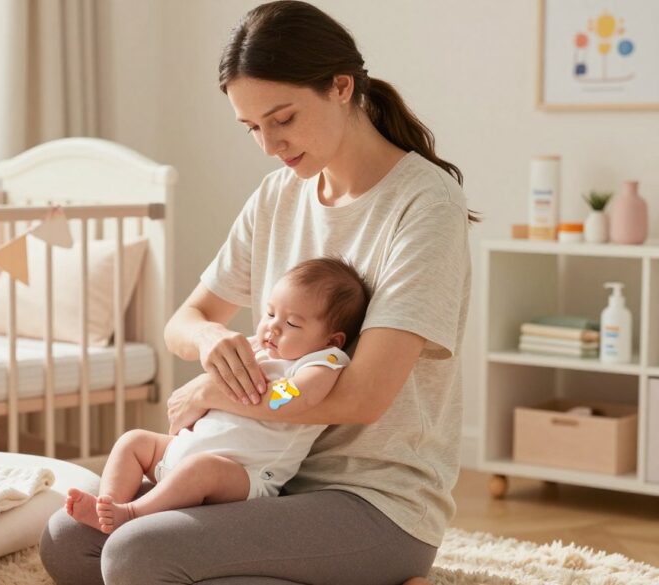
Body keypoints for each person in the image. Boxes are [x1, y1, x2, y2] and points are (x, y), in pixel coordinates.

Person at [41, 1, 474, 583]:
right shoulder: (277, 196)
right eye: (253, 128)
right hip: (266, 482)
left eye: (283, 119)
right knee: (68, 539)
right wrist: (211, 341)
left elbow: (364, 398)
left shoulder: (424, 206)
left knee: (137, 552)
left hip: (374, 504)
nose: (270, 145)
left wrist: (213, 395)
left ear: (341, 87)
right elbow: (185, 320)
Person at [66, 258, 370, 534]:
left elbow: (295, 398)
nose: (272, 328)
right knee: (133, 441)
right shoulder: (259, 347)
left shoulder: (322, 362)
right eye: (270, 313)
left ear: (332, 340)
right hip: (188, 448)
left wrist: (233, 393)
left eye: (291, 323)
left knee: (201, 470)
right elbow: (215, 370)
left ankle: (132, 514)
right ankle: (108, 503)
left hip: (243, 476)